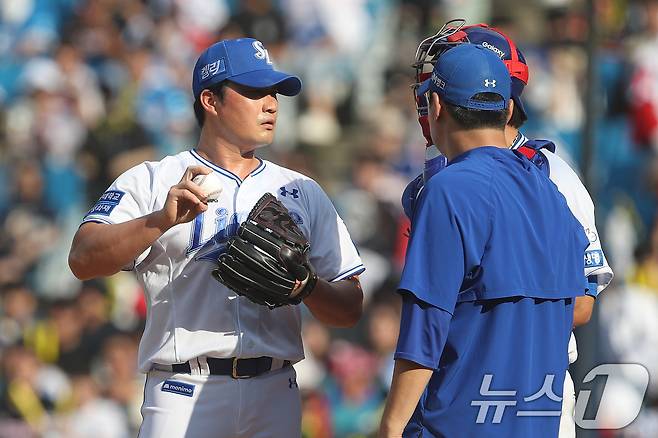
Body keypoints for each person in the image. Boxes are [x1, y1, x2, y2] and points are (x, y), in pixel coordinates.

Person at [68, 37, 365, 438]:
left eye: (274, 92)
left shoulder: (300, 189)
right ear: (210, 100)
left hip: (275, 390)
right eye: (255, 91)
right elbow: (82, 258)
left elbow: (350, 307)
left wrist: (308, 286)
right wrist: (160, 221)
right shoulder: (155, 179)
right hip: (183, 389)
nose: (272, 103)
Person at [404, 22, 614, 437]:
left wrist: (485, 326)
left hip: (522, 383)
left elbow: (582, 301)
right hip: (446, 378)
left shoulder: (551, 175)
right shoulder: (442, 175)